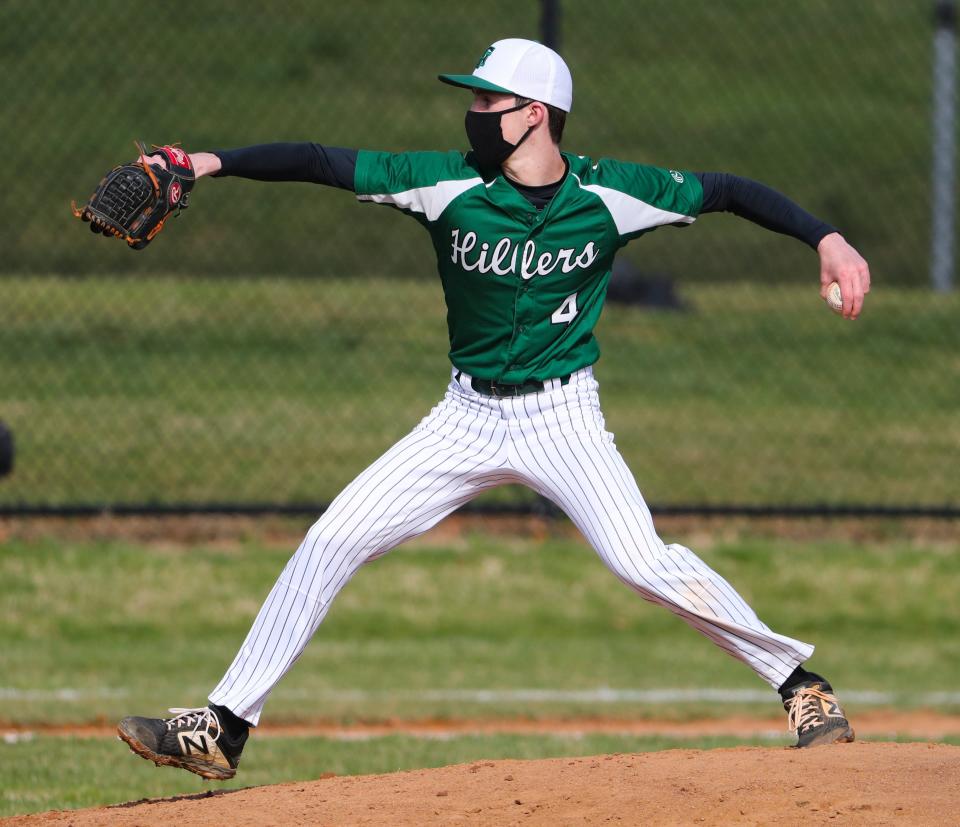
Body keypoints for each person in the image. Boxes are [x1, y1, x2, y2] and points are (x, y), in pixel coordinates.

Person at [117, 38, 870, 780]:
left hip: (562, 416)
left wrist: (826, 238)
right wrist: (206, 163)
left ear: (534, 115)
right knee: (332, 536)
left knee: (644, 564)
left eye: (487, 99)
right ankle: (225, 724)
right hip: (463, 415)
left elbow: (729, 189)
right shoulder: (444, 183)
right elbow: (320, 161)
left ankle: (801, 684)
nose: (473, 112)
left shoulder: (609, 195)